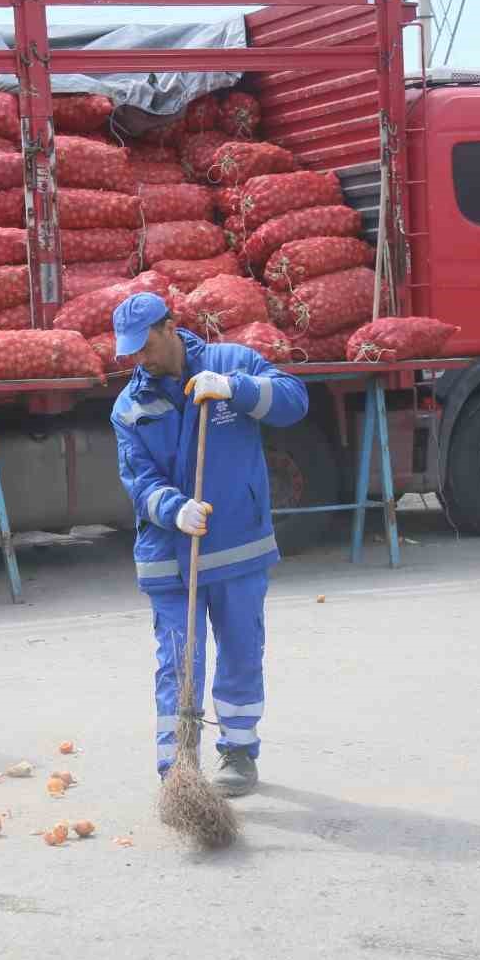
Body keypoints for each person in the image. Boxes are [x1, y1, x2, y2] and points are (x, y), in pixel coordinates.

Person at [108, 293, 310, 797]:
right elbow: (138, 479)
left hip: (237, 545)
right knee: (178, 662)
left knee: (241, 650)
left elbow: (294, 402)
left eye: (145, 346)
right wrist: (174, 509)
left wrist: (236, 390)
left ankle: (238, 751)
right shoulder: (130, 406)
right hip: (167, 557)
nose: (139, 359)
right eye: (130, 351)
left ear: (170, 326)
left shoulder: (231, 362)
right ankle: (178, 769)